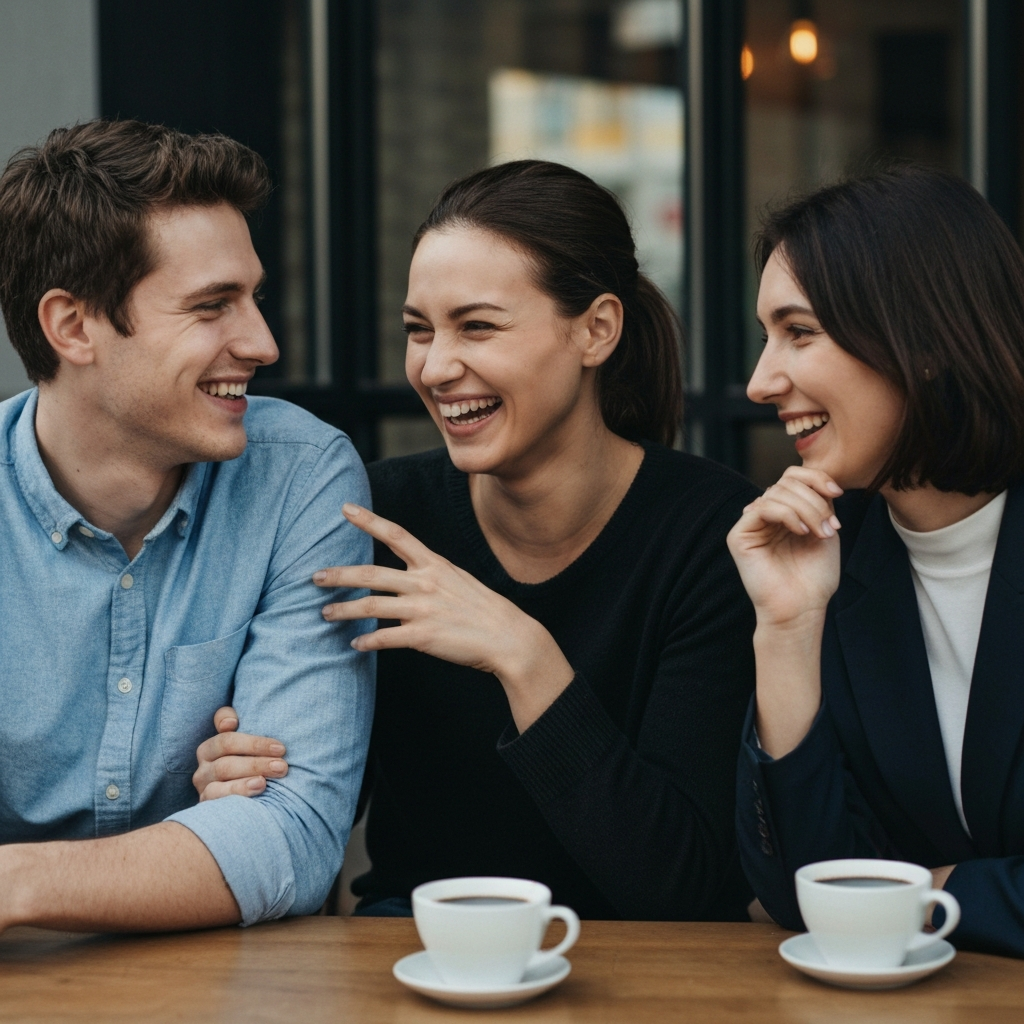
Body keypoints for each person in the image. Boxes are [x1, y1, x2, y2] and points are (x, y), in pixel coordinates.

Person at [197, 160, 759, 921]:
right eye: (418, 331)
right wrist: (251, 780)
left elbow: (686, 886)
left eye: (478, 326)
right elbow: (311, 813)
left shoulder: (709, 535)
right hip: (414, 953)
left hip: (639, 968)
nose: (435, 367)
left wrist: (523, 658)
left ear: (596, 330)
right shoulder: (378, 513)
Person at [0, 120, 374, 934]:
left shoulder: (300, 477)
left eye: (254, 298)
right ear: (73, 327)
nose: (263, 343)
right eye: (212, 307)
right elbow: (250, 844)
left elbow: (294, 835)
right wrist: (201, 848)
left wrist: (17, 881)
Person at [727, 165, 1024, 956]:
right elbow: (805, 891)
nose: (761, 381)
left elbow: (861, 900)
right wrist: (787, 628)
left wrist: (928, 890)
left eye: (799, 332)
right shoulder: (832, 550)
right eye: (767, 336)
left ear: (921, 340)